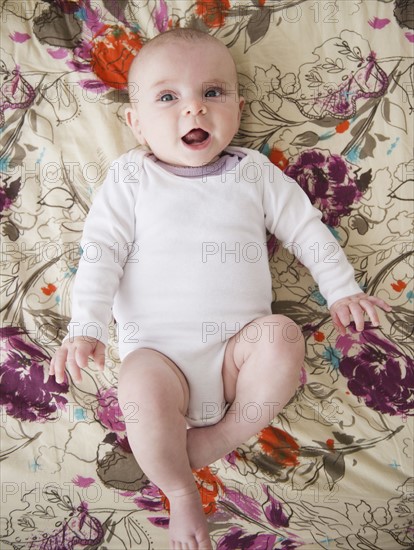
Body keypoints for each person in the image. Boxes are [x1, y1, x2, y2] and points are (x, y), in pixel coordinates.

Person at [50, 28, 391, 550]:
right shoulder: (130, 178)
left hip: (239, 353)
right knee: (136, 387)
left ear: (238, 105)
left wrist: (342, 289)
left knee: (283, 336)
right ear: (135, 122)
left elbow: (304, 228)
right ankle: (182, 492)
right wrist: (86, 328)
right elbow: (100, 254)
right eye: (169, 98)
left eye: (213, 93)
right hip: (159, 357)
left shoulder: (253, 173)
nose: (194, 110)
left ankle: (219, 438)